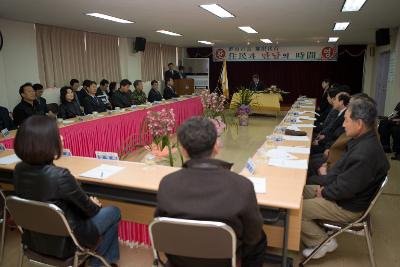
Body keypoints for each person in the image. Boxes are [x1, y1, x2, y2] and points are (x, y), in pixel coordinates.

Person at [155, 117, 267, 267]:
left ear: (183, 151)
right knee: (260, 239)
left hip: (180, 261)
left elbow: (162, 228)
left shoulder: (167, 183)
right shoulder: (242, 185)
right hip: (225, 261)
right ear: (216, 147)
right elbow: (252, 235)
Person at [13, 116, 121, 266]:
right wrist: (94, 203)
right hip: (66, 242)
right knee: (114, 211)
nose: (62, 137)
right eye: (57, 135)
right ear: (45, 143)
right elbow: (91, 211)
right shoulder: (60, 176)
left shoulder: (18, 170)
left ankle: (104, 260)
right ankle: (101, 262)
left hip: (35, 239)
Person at [301, 98, 390, 260]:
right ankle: (315, 232)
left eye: (347, 121)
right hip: (342, 194)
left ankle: (321, 242)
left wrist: (325, 192)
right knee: (297, 192)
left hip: (348, 207)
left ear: (359, 124)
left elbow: (346, 189)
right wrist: (324, 186)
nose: (343, 125)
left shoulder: (365, 154)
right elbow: (339, 172)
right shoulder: (362, 140)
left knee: (297, 209)